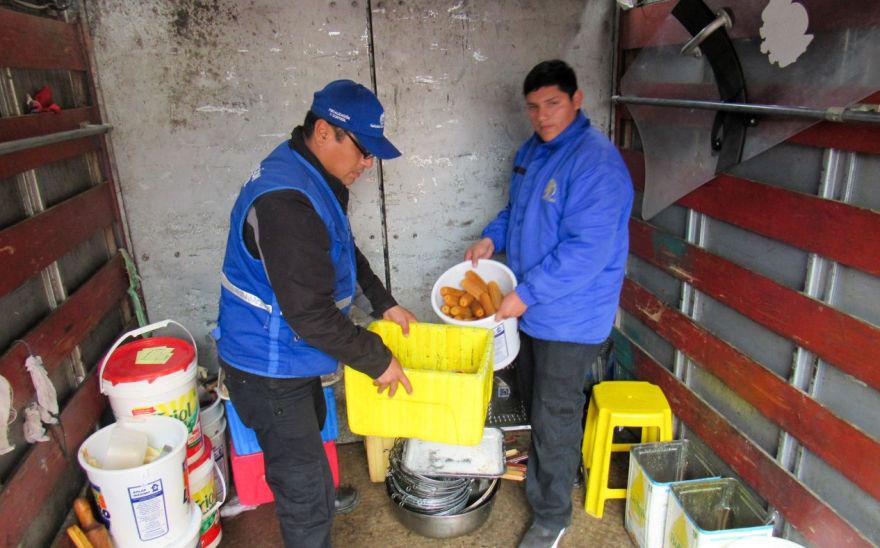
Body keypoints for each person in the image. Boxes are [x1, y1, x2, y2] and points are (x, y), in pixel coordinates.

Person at [216, 80, 415, 547]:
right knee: (302, 492)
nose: (368, 164)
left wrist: (383, 301)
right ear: (325, 132)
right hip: (268, 367)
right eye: (364, 151)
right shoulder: (285, 201)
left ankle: (320, 501)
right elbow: (310, 315)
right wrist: (377, 358)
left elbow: (341, 250)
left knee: (310, 466)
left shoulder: (309, 174)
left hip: (291, 357)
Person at [466, 60, 633, 548]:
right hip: (533, 309)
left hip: (571, 316)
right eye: (534, 106)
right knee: (538, 405)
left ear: (577, 100)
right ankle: (549, 478)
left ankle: (553, 516)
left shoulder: (596, 164)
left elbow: (588, 251)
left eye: (553, 103)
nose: (542, 115)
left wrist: (525, 294)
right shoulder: (533, 152)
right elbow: (515, 211)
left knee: (554, 412)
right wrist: (489, 240)